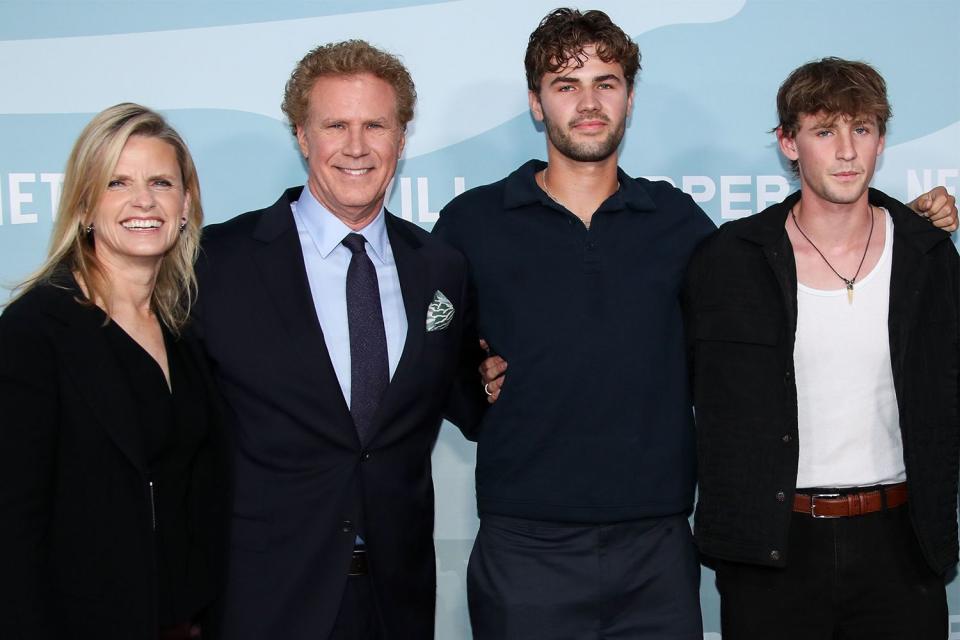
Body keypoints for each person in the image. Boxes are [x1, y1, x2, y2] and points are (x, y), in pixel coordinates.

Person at [444, 9, 958, 640]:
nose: (588, 102)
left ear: (630, 99)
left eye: (606, 83)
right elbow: (431, 353)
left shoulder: (681, 225)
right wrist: (473, 378)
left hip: (658, 541)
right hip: (523, 537)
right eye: (565, 84)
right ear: (535, 102)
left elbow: (804, 251)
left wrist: (904, 223)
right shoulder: (471, 224)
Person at [193, 40, 482, 640]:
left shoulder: (440, 268)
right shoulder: (217, 263)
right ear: (302, 135)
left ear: (402, 139)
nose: (356, 147)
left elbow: (459, 392)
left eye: (375, 124)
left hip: (395, 600)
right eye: (335, 125)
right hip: (262, 598)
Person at [684, 57, 958, 639]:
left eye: (861, 129)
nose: (846, 152)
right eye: (824, 131)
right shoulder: (731, 259)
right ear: (788, 143)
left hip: (901, 545)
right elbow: (691, 388)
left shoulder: (926, 256)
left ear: (882, 140)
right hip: (773, 550)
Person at [0, 103, 228, 640]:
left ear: (185, 203)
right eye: (117, 182)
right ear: (84, 204)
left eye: (161, 182)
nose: (143, 200)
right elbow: (11, 527)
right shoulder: (34, 333)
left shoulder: (185, 330)